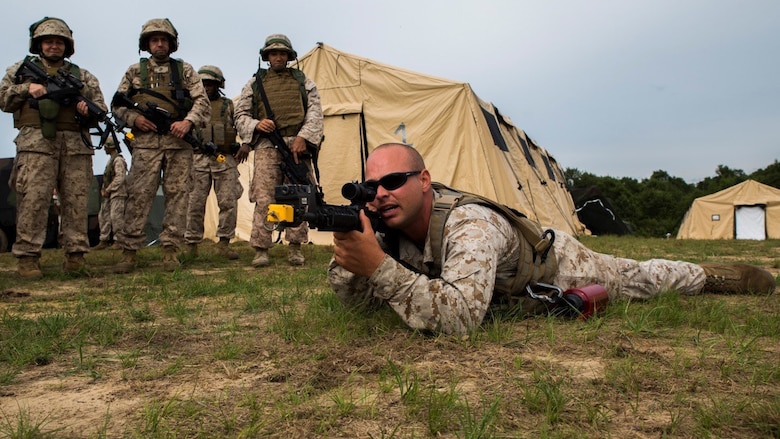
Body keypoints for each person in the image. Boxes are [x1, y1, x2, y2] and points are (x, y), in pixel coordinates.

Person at [328, 143, 777, 335]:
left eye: (394, 180)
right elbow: (361, 303)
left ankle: (708, 276)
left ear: (425, 180)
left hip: (559, 267)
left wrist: (379, 267)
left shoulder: (469, 222)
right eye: (371, 186)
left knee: (643, 279)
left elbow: (459, 320)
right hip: (510, 290)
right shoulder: (390, 226)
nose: (381, 193)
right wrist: (355, 254)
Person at [0, 17, 108, 278]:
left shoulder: (82, 76)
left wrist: (87, 112)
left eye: (59, 42)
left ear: (67, 46)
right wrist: (28, 88)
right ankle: (28, 259)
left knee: (77, 202)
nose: (53, 46)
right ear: (39, 44)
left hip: (75, 147)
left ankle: (75, 257)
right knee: (33, 201)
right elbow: (3, 99)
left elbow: (101, 109)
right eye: (48, 41)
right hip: (36, 146)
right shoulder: (19, 71)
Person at [111, 18, 210, 273]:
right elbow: (117, 105)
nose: (159, 44)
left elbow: (202, 102)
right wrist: (136, 119)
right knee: (138, 196)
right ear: (147, 44)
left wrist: (187, 123)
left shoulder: (186, 70)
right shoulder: (134, 71)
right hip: (146, 145)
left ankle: (170, 250)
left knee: (178, 197)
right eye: (154, 40)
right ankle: (129, 251)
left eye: (164, 40)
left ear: (171, 43)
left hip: (178, 144)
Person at [234, 33, 323, 267]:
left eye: (282, 53)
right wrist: (256, 124)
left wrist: (303, 138)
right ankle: (261, 248)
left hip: (296, 147)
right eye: (273, 53)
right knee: (264, 197)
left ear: (289, 56)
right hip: (267, 145)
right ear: (267, 56)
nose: (278, 57)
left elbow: (315, 112)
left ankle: (295, 247)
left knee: (298, 196)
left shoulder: (303, 81)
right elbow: (240, 114)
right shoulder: (255, 83)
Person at [184, 65, 241, 260]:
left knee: (228, 202)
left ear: (218, 85)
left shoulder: (228, 105)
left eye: (210, 83)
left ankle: (224, 243)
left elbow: (239, 126)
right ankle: (191, 244)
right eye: (203, 83)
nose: (206, 87)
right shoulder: (190, 106)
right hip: (198, 159)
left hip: (224, 159)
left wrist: (244, 145)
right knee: (194, 203)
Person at [94, 139, 127, 250]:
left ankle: (119, 241)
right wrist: (104, 190)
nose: (104, 149)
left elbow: (120, 178)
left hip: (117, 193)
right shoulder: (111, 160)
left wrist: (108, 189)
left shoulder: (118, 160)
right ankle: (104, 240)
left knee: (116, 217)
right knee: (103, 216)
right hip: (109, 194)